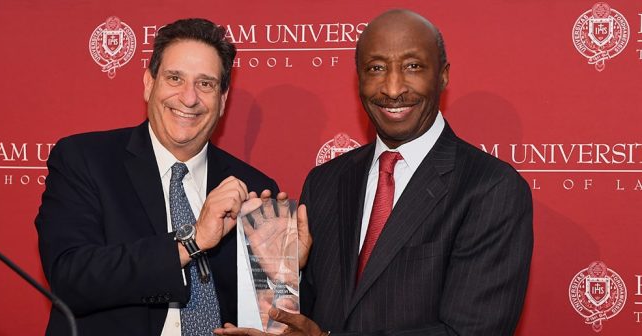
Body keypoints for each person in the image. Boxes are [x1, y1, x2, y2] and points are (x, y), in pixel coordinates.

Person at [215, 8, 533, 336]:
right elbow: (317, 317)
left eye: (412, 67)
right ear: (359, 79)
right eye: (376, 68)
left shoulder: (490, 189)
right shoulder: (326, 181)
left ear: (443, 75)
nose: (393, 89)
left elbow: (470, 331)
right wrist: (283, 274)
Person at [35, 18, 280, 336]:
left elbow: (271, 314)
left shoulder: (254, 188)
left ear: (222, 101)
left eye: (205, 84)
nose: (189, 98)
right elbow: (70, 278)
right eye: (175, 78)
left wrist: (288, 271)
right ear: (149, 83)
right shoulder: (85, 159)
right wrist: (190, 241)